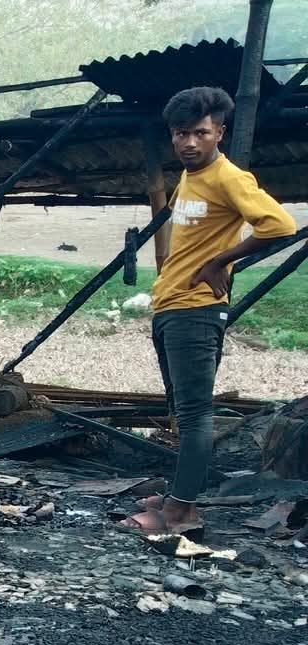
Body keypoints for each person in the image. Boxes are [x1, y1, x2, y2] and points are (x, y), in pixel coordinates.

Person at [123, 87, 296, 536]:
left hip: (198, 310)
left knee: (196, 414)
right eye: (181, 133)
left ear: (219, 132)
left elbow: (279, 224)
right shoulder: (189, 179)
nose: (190, 143)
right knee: (182, 411)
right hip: (172, 304)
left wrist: (222, 260)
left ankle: (182, 513)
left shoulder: (228, 177)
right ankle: (179, 494)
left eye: (201, 132)